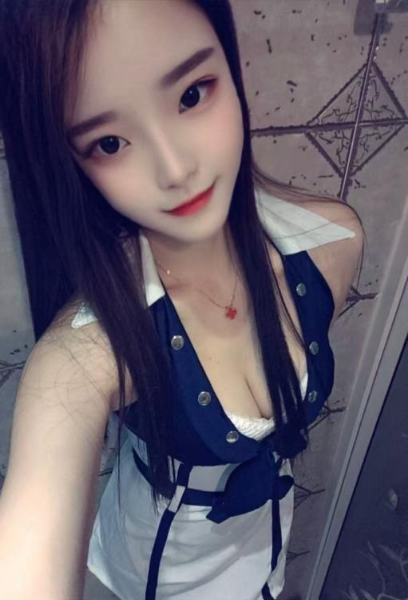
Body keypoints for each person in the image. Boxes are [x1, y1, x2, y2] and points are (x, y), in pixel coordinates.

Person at [0, 1, 365, 599]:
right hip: (157, 570)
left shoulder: (333, 244)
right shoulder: (84, 355)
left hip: (265, 540)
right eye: (110, 142)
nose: (175, 169)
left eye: (192, 95)